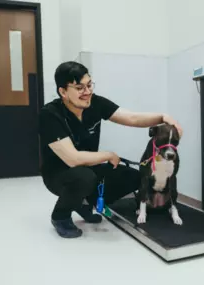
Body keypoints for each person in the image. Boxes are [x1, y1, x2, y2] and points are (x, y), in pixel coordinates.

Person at [38, 61, 183, 238]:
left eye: (89, 85)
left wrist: (162, 117)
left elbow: (132, 118)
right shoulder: (50, 114)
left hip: (88, 168)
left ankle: (83, 204)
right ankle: (60, 216)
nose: (87, 92)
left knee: (133, 177)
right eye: (79, 87)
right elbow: (72, 159)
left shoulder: (95, 103)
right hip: (58, 174)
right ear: (63, 92)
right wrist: (107, 155)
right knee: (84, 177)